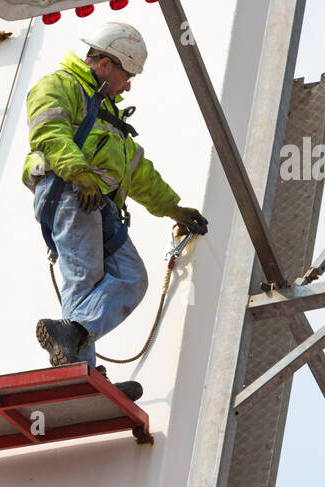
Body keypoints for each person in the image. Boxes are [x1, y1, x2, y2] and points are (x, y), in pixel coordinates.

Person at [22, 22, 208, 383]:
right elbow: (48, 132)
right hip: (69, 192)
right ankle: (80, 373)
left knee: (132, 277)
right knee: (85, 279)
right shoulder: (60, 85)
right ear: (105, 64)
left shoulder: (109, 115)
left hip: (98, 204)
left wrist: (173, 208)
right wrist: (79, 173)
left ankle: (77, 351)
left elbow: (138, 173)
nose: (129, 84)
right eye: (128, 73)